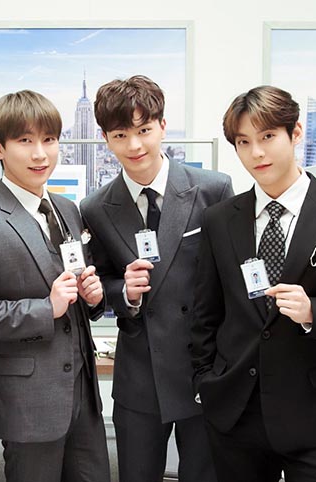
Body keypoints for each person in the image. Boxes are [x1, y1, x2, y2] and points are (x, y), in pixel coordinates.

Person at [190, 85, 316, 482]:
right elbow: (205, 312)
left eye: (267, 136)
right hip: (235, 411)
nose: (256, 153)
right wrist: (204, 380)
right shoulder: (219, 219)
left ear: (295, 132)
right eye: (243, 142)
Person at [0, 90, 110, 482]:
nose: (40, 154)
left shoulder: (67, 210)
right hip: (28, 402)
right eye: (25, 141)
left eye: (49, 140)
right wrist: (46, 308)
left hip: (83, 396)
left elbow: (75, 289)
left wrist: (92, 297)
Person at [79, 75, 232, 482]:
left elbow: (232, 278)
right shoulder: (95, 207)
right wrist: (123, 292)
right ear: (105, 139)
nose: (134, 145)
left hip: (204, 365)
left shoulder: (213, 189)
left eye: (144, 130)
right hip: (140, 375)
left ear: (163, 126)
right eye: (120, 135)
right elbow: (99, 286)